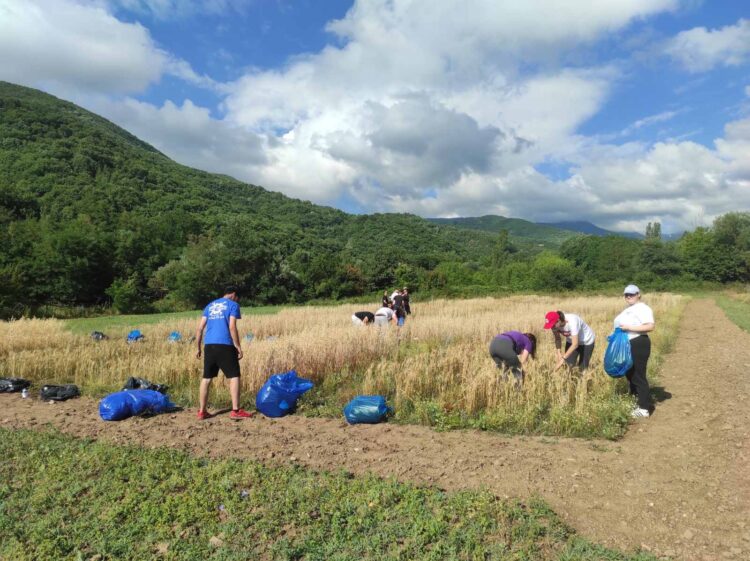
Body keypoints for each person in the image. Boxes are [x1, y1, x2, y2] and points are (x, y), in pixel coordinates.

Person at [195, 286, 252, 420]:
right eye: (237, 297)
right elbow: (232, 326)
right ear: (233, 294)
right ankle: (236, 410)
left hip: (209, 345)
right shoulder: (233, 305)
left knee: (206, 378)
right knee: (234, 376)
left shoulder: (210, 305)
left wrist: (198, 347)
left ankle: (202, 412)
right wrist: (238, 346)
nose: (237, 300)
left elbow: (199, 328)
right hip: (225, 344)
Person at [613, 284, 655, 418]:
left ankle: (644, 409)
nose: (628, 296)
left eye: (631, 294)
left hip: (638, 343)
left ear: (638, 294)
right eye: (626, 294)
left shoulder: (643, 308)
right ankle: (636, 402)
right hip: (627, 344)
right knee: (630, 374)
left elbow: (650, 326)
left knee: (638, 375)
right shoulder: (629, 309)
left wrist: (628, 327)